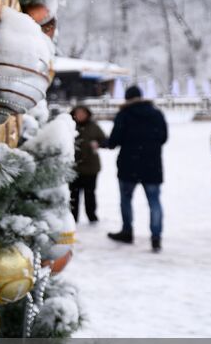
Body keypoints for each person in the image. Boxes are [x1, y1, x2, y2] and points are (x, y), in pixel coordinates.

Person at [105, 85, 168, 251]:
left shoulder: (124, 114)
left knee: (126, 200)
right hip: (152, 165)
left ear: (126, 98)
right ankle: (156, 237)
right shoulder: (156, 113)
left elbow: (114, 141)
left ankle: (127, 231)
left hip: (128, 164)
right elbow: (163, 137)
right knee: (154, 202)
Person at [70, 105, 108, 223]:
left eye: (83, 113)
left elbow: (105, 141)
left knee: (90, 194)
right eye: (78, 113)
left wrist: (98, 144)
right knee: (73, 196)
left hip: (91, 168)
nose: (80, 115)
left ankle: (91, 216)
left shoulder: (94, 127)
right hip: (73, 168)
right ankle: (72, 218)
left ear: (87, 114)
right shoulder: (70, 126)